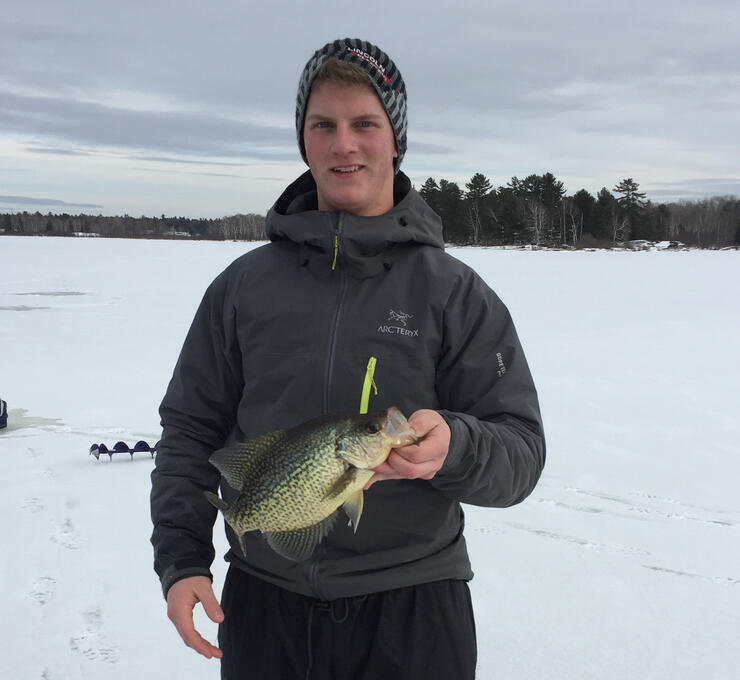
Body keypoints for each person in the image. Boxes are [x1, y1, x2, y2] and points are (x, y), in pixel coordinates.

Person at [150, 37, 545, 680]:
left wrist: (457, 449)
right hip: (264, 607)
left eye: (365, 123)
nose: (344, 145)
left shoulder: (455, 294)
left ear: (396, 139)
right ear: (303, 142)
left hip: (414, 613)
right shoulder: (241, 289)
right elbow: (191, 431)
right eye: (323, 125)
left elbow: (522, 453)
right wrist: (182, 558)